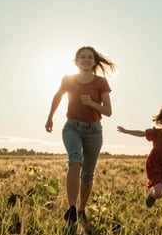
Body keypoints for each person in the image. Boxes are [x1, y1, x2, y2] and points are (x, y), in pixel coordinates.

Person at [45, 46, 116, 225]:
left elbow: (108, 111)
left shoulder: (101, 83)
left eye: (89, 57)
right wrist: (50, 117)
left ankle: (82, 209)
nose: (86, 59)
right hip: (72, 128)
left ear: (94, 62)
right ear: (76, 61)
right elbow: (58, 96)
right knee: (75, 161)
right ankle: (72, 208)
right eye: (82, 57)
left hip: (94, 131)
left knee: (88, 175)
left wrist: (92, 103)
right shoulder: (68, 80)